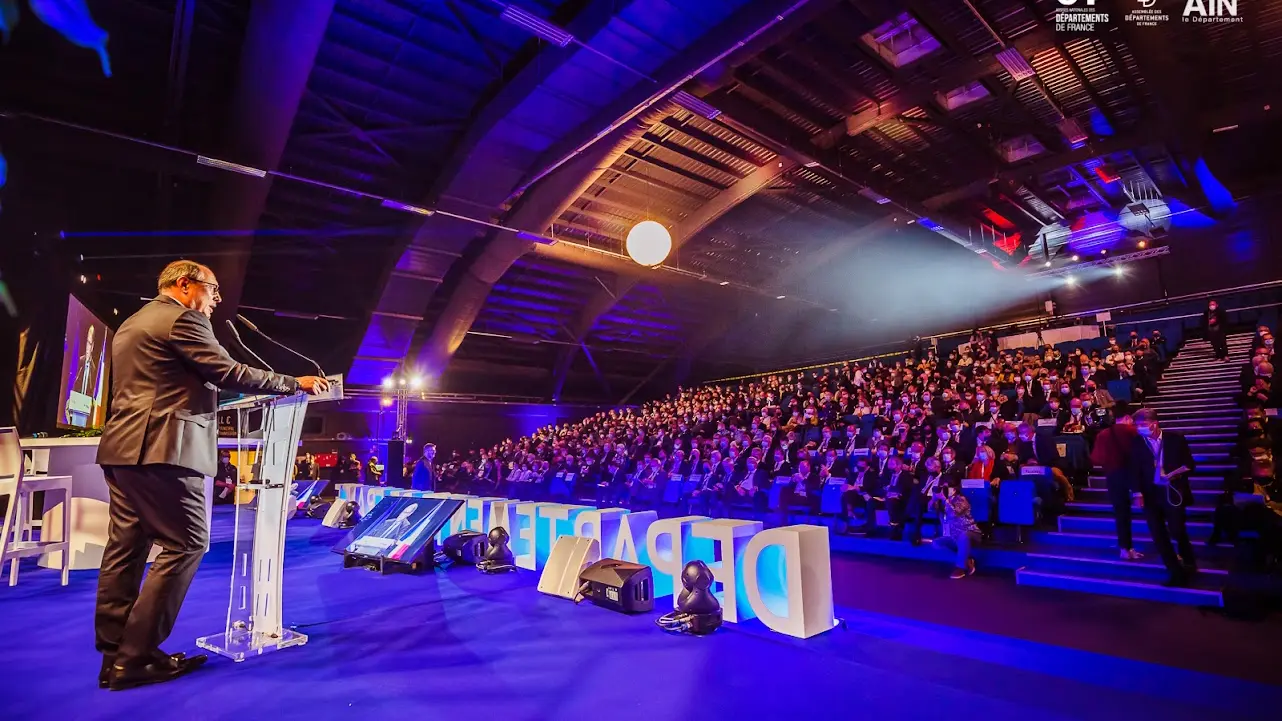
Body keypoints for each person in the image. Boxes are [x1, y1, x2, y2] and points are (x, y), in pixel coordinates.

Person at [94, 260, 329, 691]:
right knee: (186, 543)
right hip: (164, 449)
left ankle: (114, 656)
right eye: (212, 291)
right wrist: (293, 383)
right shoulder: (181, 319)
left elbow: (174, 383)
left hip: (124, 449)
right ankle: (137, 656)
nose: (215, 301)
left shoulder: (133, 323)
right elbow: (228, 371)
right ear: (185, 286)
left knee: (126, 550)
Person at [1129, 410, 1198, 586]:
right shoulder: (1136, 442)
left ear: (1154, 423)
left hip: (1172, 491)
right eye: (1137, 425)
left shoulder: (1175, 438)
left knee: (1177, 530)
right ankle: (1174, 571)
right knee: (1158, 534)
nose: (1140, 428)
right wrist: (1137, 492)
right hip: (1150, 494)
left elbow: (1190, 464)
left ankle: (1189, 562)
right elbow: (1134, 469)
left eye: (1143, 425)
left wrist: (1174, 474)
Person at [1091, 413, 1142, 560]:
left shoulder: (1103, 434)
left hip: (1113, 476)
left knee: (1121, 513)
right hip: (1136, 474)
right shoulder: (1133, 431)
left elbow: (1096, 458)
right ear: (1127, 417)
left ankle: (1125, 548)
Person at [930, 478, 979, 579]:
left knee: (963, 536)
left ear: (954, 489)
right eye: (943, 488)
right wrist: (933, 499)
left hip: (970, 532)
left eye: (947, 488)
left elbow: (954, 513)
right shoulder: (942, 502)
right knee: (936, 543)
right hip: (952, 534)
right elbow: (929, 508)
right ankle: (966, 560)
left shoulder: (961, 499)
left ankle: (960, 568)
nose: (945, 490)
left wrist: (945, 500)